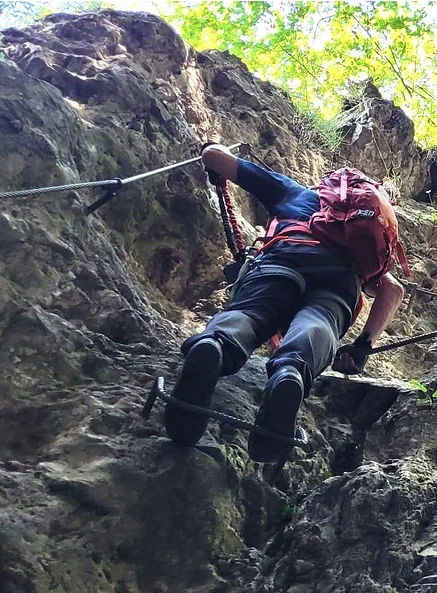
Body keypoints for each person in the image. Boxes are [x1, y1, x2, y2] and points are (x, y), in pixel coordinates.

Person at [164, 143, 405, 461]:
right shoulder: (370, 237)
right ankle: (290, 372)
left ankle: (217, 345)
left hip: (285, 255)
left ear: (329, 187)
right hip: (341, 279)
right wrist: (361, 346)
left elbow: (215, 158)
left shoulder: (298, 194)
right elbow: (391, 290)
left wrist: (214, 156)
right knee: (318, 320)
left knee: (252, 313)